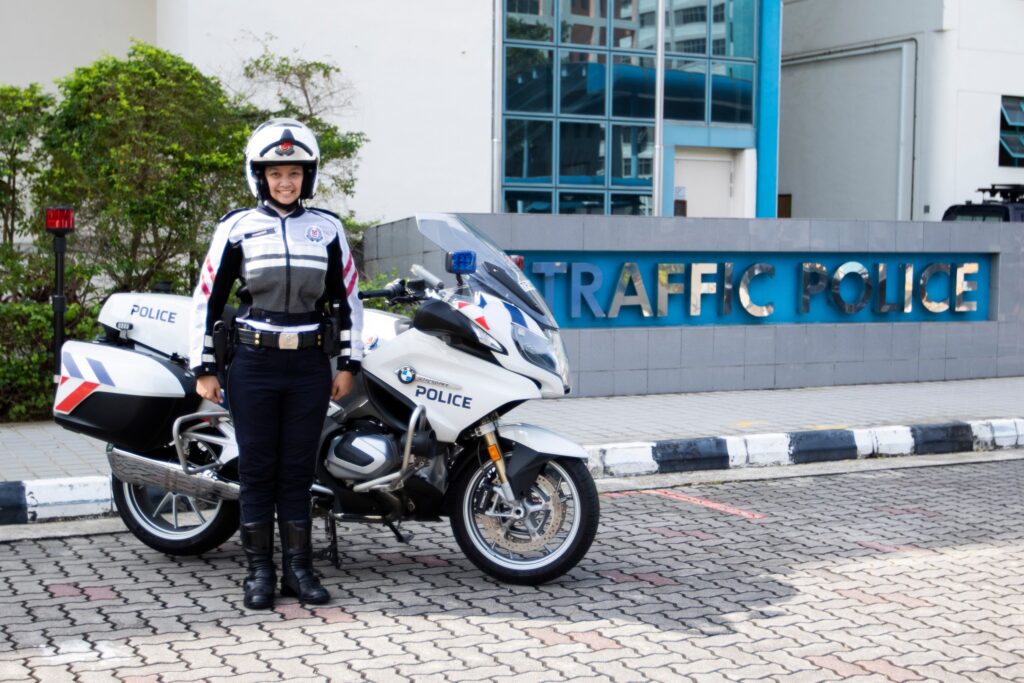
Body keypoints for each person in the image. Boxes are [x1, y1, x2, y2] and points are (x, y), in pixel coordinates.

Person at [188, 118, 363, 610]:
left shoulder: (326, 230)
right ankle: (259, 574)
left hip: (309, 367)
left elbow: (347, 301)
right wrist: (205, 368)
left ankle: (300, 571)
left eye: (294, 172)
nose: (285, 182)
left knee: (297, 470)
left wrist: (347, 363)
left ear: (307, 176)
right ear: (259, 176)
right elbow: (207, 299)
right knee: (259, 469)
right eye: (275, 173)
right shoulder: (237, 228)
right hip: (253, 365)